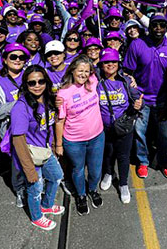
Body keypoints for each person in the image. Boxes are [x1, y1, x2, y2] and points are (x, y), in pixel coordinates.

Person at [123, 14, 167, 179]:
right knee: (140, 132)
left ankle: (163, 162)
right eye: (155, 25)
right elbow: (127, 72)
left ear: (166, 28)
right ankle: (143, 161)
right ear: (149, 27)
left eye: (162, 25)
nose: (158, 29)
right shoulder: (137, 44)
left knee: (165, 135)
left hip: (163, 101)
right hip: (142, 99)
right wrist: (134, 94)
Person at [11, 65, 65, 230]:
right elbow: (18, 141)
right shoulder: (21, 107)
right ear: (26, 85)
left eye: (41, 81)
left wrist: (56, 145)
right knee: (35, 187)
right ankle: (36, 216)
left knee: (56, 176)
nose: (37, 85)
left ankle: (47, 205)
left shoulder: (48, 99)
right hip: (30, 154)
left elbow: (51, 124)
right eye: (31, 83)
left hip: (45, 150)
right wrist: (29, 170)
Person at [55, 55, 105, 215]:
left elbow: (100, 63)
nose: (83, 74)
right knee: (77, 169)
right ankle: (81, 195)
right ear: (72, 71)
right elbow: (59, 121)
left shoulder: (92, 82)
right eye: (80, 71)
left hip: (97, 136)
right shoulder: (63, 93)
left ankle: (92, 190)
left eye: (86, 71)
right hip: (74, 141)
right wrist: (59, 144)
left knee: (96, 170)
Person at [0, 43, 30, 207]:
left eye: (21, 57)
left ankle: (36, 187)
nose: (18, 60)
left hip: (35, 129)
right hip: (14, 132)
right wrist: (18, 105)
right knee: (18, 165)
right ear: (4, 60)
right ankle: (19, 190)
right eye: (13, 56)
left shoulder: (32, 75)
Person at [97, 48, 143, 204]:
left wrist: (138, 105)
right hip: (104, 127)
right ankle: (109, 173)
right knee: (108, 153)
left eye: (113, 62)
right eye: (106, 62)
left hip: (124, 127)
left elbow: (138, 99)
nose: (110, 65)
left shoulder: (126, 80)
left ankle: (123, 184)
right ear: (101, 65)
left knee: (123, 157)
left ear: (119, 63)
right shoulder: (94, 80)